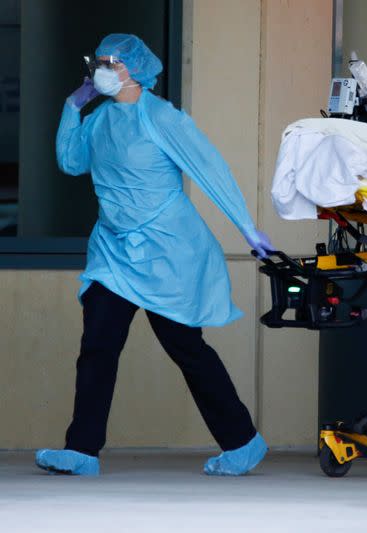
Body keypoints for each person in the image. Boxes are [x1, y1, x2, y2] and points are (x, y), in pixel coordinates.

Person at [35, 34, 273, 476]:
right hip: (113, 251)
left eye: (109, 62)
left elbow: (209, 167)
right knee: (98, 346)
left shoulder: (162, 117)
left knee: (186, 347)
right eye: (97, 62)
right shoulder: (101, 118)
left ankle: (242, 442)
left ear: (132, 68)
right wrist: (73, 106)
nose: (100, 70)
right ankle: (82, 450)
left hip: (168, 250)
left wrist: (246, 226)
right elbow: (71, 161)